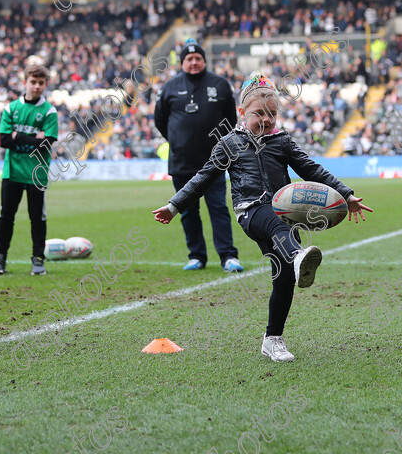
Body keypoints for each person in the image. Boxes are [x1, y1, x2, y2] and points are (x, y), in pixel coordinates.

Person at [153, 73, 373, 361]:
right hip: (251, 211)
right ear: (242, 113)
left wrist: (345, 194)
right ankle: (298, 257)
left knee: (283, 278)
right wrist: (174, 206)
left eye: (272, 114)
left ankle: (273, 339)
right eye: (259, 113)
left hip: (285, 212)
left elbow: (312, 169)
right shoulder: (229, 144)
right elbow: (203, 178)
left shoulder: (282, 141)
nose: (267, 119)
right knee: (278, 229)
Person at [154, 38, 243, 272]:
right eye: (189, 59)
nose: (193, 62)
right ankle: (196, 256)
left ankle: (228, 256)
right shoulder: (169, 87)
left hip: (214, 161)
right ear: (182, 62)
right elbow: (160, 120)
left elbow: (230, 120)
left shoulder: (220, 84)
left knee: (218, 209)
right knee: (187, 211)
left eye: (198, 59)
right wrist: (178, 141)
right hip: (182, 163)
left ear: (204, 60)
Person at [0, 62, 59, 276]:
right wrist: (32, 139)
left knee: (37, 217)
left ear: (46, 84)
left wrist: (17, 138)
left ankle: (38, 259)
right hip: (12, 172)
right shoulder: (12, 108)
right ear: (25, 82)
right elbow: (2, 140)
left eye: (41, 83)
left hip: (36, 173)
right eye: (33, 82)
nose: (37, 86)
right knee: (6, 216)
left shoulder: (49, 111)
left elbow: (47, 143)